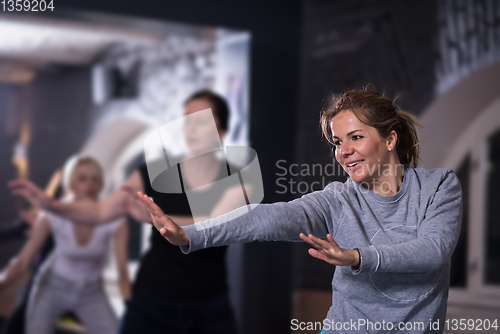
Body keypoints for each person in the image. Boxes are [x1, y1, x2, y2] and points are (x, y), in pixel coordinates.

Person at [135, 88, 463, 334]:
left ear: (390, 139)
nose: (344, 151)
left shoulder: (438, 187)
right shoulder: (337, 199)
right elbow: (266, 217)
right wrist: (190, 235)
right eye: (337, 142)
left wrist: (358, 258)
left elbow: (434, 251)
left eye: (356, 137)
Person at [9, 90, 246, 334]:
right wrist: (52, 206)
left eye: (201, 120)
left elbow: (217, 223)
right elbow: (100, 212)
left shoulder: (238, 180)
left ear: (221, 131)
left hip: (209, 303)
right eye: (187, 120)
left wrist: (159, 218)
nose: (191, 128)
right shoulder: (154, 172)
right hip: (152, 297)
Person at [1, 156, 130, 334]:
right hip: (52, 286)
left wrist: (131, 308)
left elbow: (123, 272)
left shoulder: (115, 219)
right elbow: (23, 261)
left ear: (101, 183)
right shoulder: (52, 213)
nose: (90, 184)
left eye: (95, 178)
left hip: (91, 291)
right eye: (82, 178)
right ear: (71, 183)